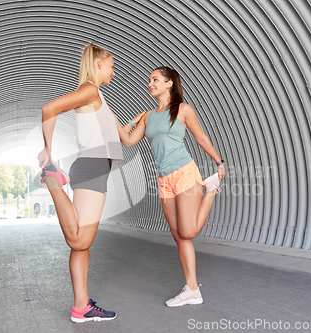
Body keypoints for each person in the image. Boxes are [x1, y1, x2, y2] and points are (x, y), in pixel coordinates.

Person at [37, 43, 143, 323]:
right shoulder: (90, 90)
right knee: (79, 239)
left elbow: (128, 139)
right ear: (98, 64)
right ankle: (52, 180)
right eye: (111, 65)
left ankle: (81, 307)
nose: (114, 71)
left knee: (80, 246)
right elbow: (50, 108)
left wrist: (147, 118)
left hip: (96, 168)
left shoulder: (100, 100)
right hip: (92, 167)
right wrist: (47, 149)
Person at [117, 66, 225, 307]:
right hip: (163, 179)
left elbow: (201, 137)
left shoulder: (183, 110)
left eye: (155, 79)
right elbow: (127, 141)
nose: (150, 83)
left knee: (188, 232)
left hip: (185, 172)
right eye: (149, 80)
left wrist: (219, 161)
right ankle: (192, 290)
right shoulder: (147, 116)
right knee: (178, 236)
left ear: (169, 84)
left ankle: (211, 190)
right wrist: (129, 120)